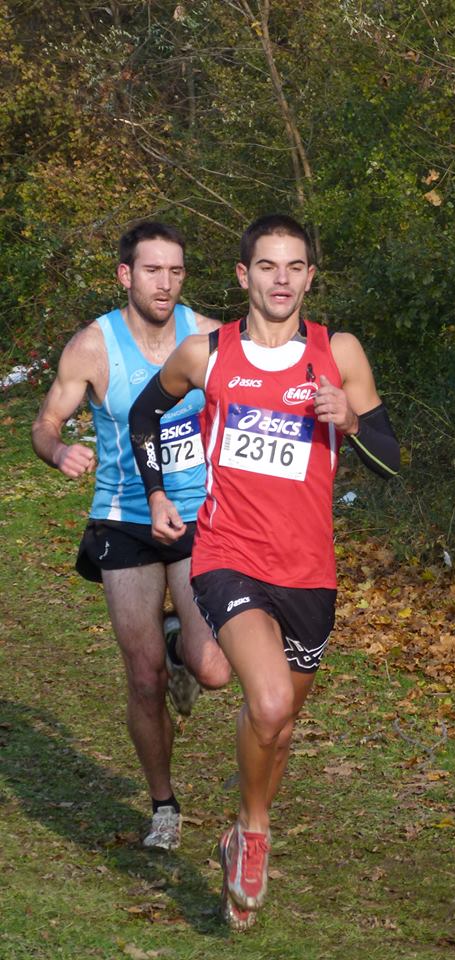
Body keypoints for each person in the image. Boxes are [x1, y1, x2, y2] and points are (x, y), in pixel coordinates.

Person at [128, 214, 400, 929]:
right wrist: (157, 493)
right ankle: (254, 836)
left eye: (296, 266)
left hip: (310, 572)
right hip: (229, 555)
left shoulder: (337, 352)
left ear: (311, 276)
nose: (282, 280)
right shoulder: (205, 354)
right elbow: (145, 415)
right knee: (271, 702)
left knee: (274, 731)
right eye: (268, 267)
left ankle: (240, 834)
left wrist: (351, 422)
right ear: (245, 275)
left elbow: (392, 457)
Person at [31, 220, 230, 852]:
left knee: (214, 668)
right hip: (123, 518)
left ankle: (183, 646)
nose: (165, 283)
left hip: (201, 515)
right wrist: (57, 449)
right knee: (142, 678)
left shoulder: (209, 337)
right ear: (126, 275)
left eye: (175, 271)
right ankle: (164, 805)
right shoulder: (94, 346)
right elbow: (46, 421)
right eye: (152, 270)